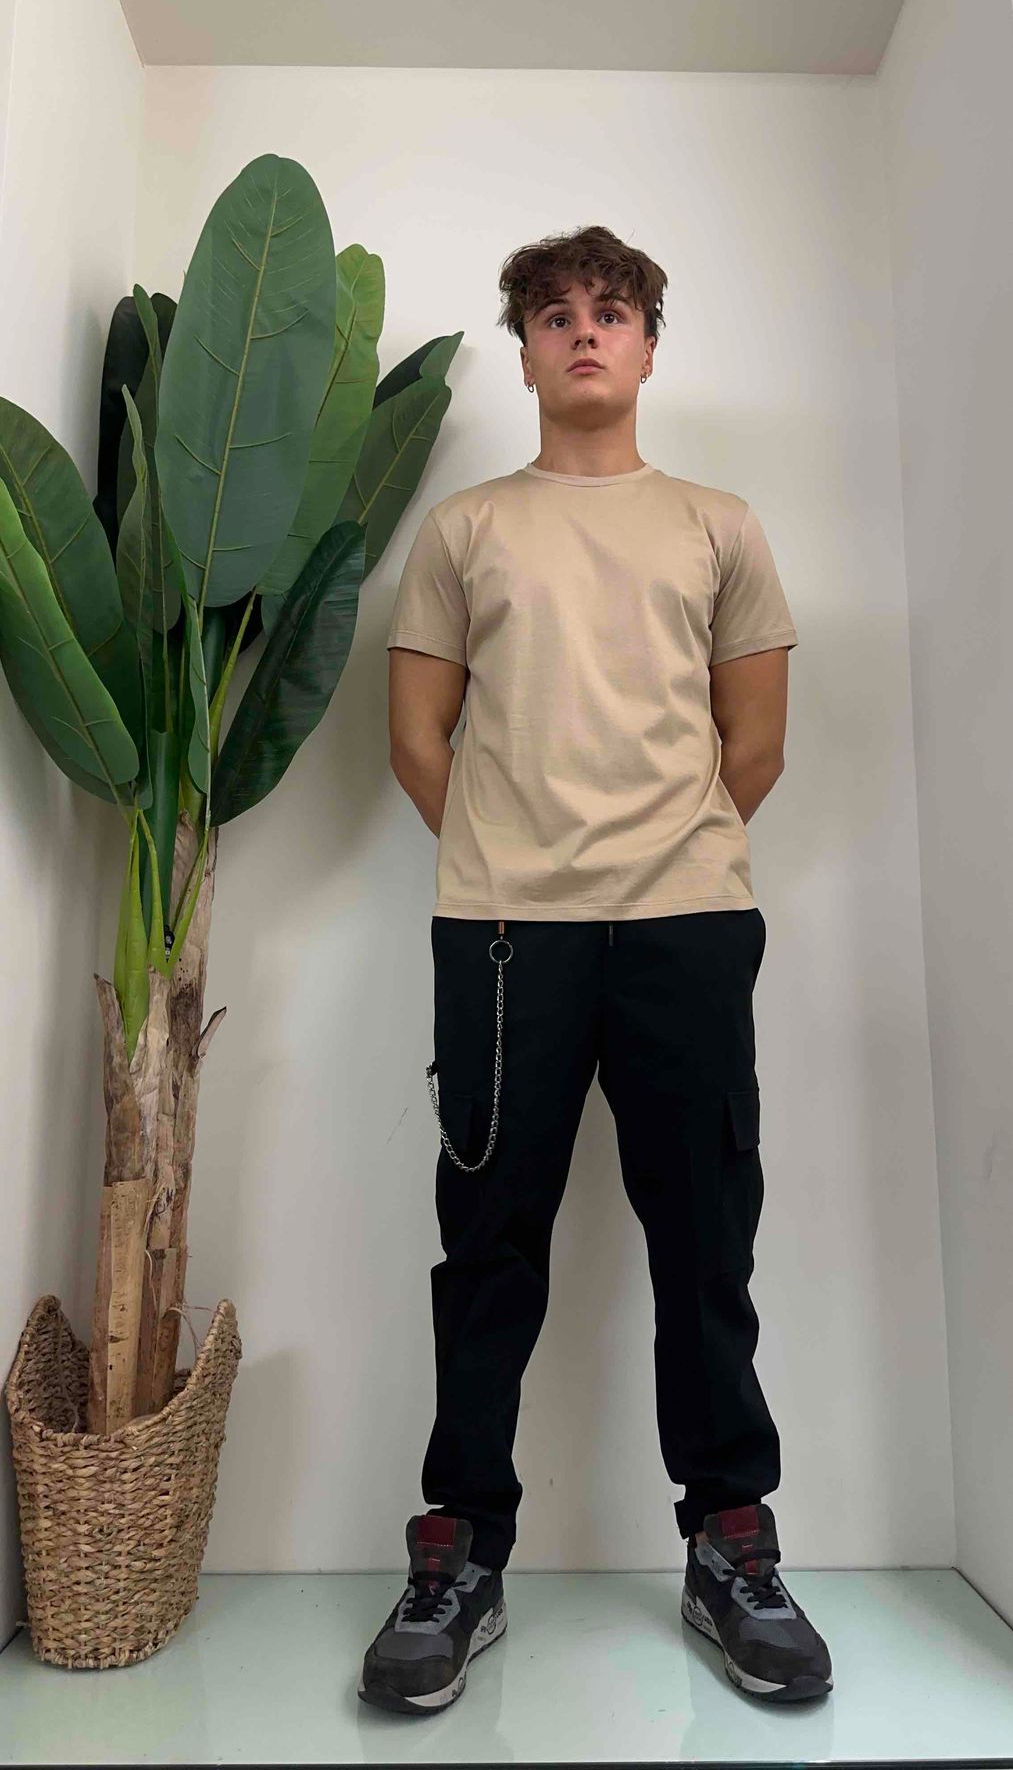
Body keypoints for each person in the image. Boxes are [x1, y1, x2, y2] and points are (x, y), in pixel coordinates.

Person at [359, 225, 831, 1716]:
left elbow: (754, 744)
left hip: (687, 926)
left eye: (610, 313)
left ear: (647, 345)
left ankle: (730, 1544)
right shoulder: (468, 531)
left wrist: (656, 864)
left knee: (704, 1236)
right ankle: (460, 1554)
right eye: (554, 314)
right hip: (505, 937)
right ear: (523, 351)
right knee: (488, 1243)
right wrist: (521, 861)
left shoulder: (717, 525)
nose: (582, 332)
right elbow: (416, 741)